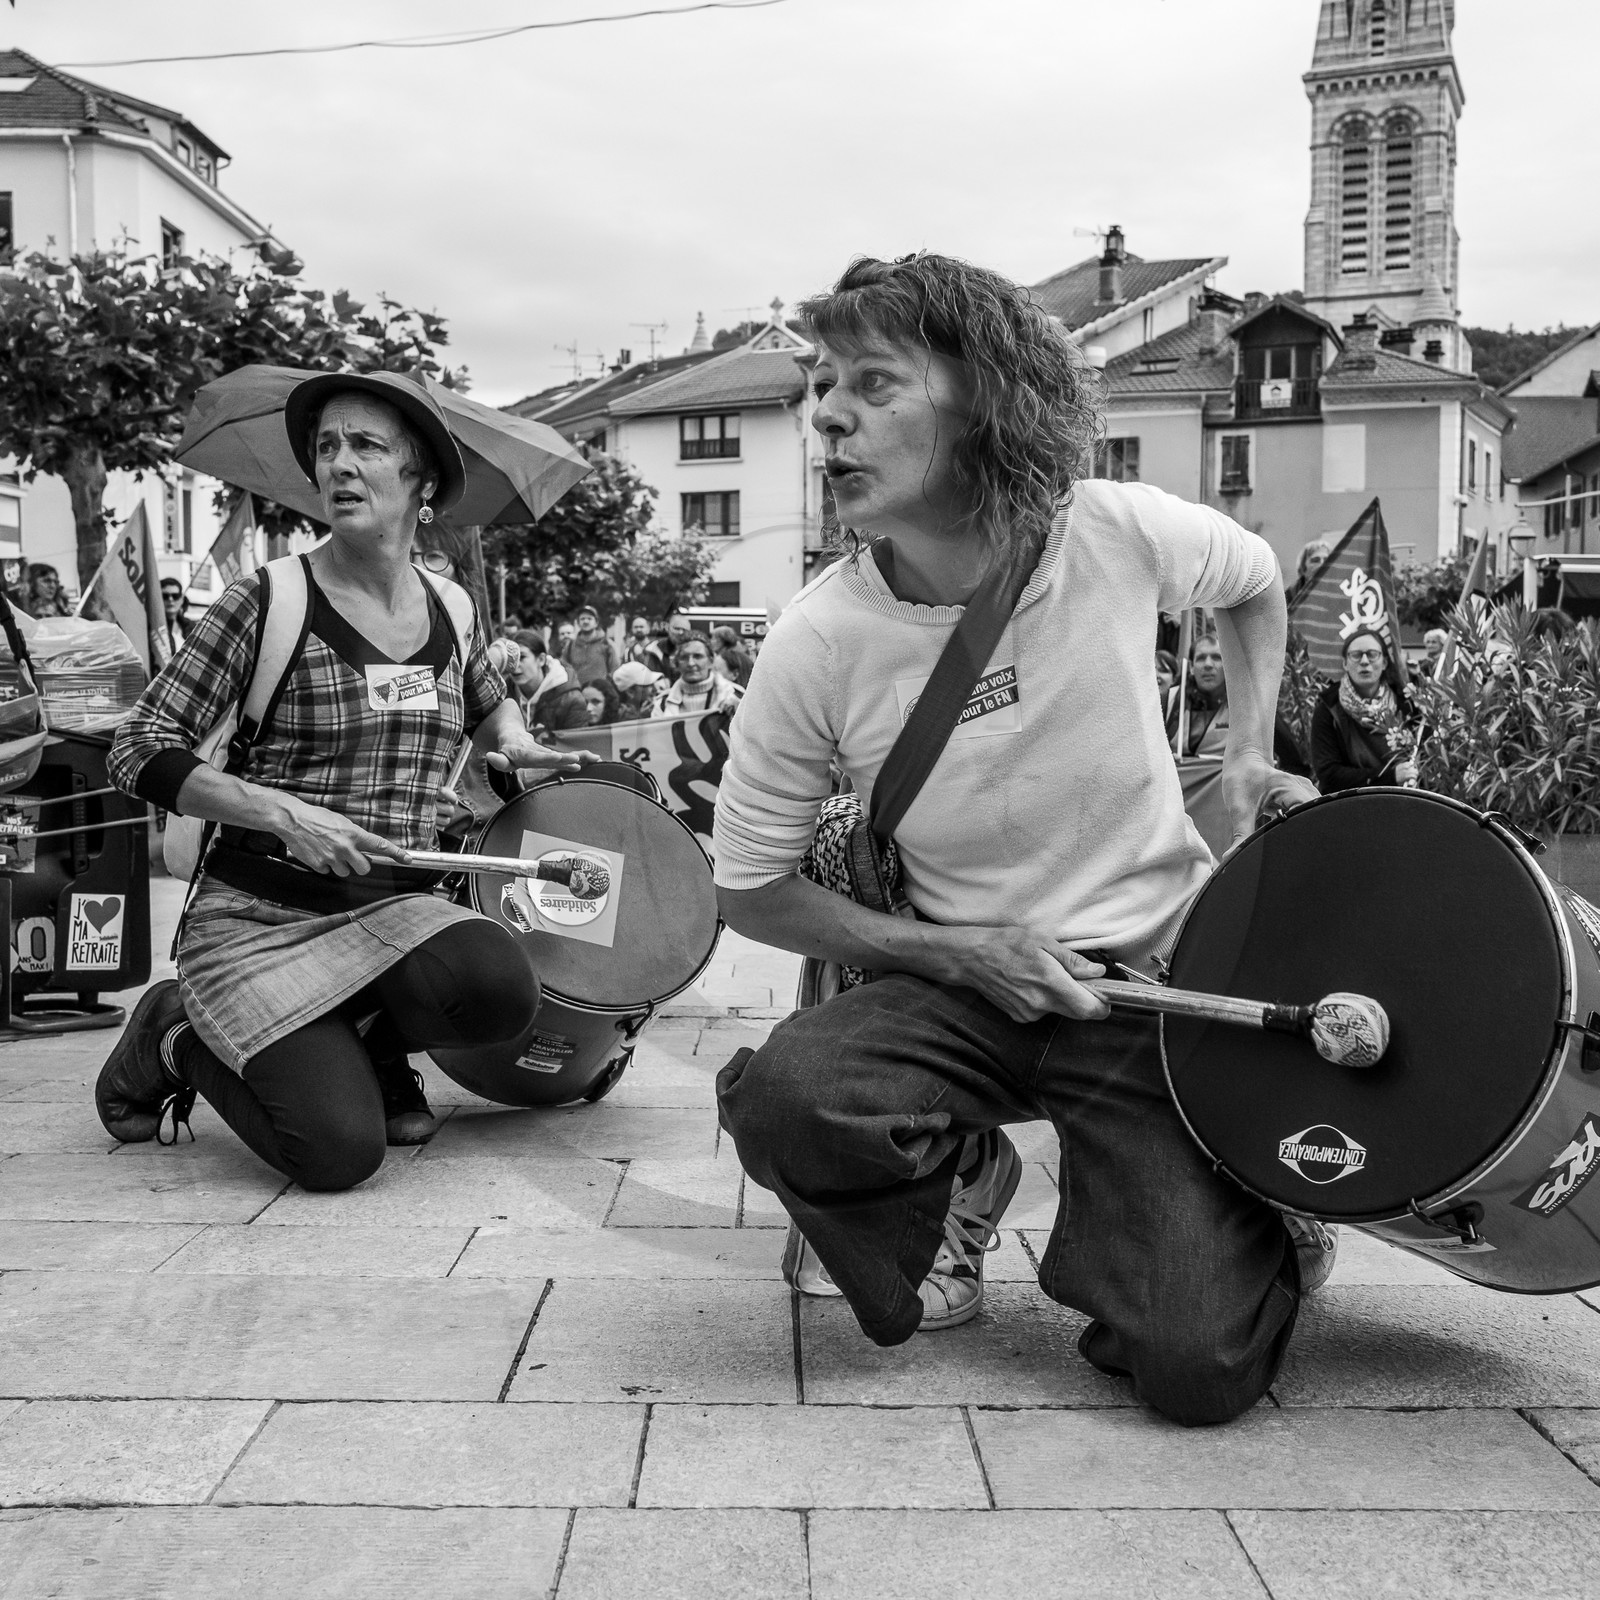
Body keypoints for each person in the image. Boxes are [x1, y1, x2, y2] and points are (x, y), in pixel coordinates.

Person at [712, 252, 1321, 1428]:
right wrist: (959, 953)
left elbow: (1253, 585)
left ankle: (1229, 1210)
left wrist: (1248, 756)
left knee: (1197, 1371)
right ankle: (953, 1175)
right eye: (822, 386)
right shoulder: (816, 641)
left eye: (875, 385)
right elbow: (750, 889)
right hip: (965, 986)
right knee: (792, 1095)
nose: (827, 414)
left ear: (986, 400)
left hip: (1153, 986)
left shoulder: (1117, 531)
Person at [96, 370, 590, 1190]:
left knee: (500, 989)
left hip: (394, 904)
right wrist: (284, 814)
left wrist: (516, 739)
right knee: (336, 1157)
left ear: (421, 481)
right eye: (326, 447)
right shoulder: (268, 600)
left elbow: (484, 703)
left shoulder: (455, 608)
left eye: (366, 445)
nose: (339, 465)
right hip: (260, 910)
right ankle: (174, 1031)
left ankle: (367, 1041)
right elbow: (137, 745)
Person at [1165, 634, 1309, 775]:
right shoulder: (1169, 701)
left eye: (1217, 658)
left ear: (1228, 664)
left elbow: (1294, 762)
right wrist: (1163, 759)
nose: (1208, 665)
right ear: (1190, 667)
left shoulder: (1248, 704)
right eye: (1201, 658)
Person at [1310, 626, 1419, 793]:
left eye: (1372, 654)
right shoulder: (1328, 708)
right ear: (1345, 663)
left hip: (1402, 800)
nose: (1365, 661)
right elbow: (1329, 774)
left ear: (1384, 663)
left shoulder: (1406, 703)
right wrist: (1389, 777)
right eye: (1356, 655)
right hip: (1346, 805)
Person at [506, 630, 589, 732]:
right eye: (510, 659)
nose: (514, 665)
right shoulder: (500, 696)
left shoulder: (572, 700)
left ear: (541, 659)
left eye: (522, 657)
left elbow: (575, 744)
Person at [654, 632, 742, 717]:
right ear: (676, 663)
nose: (691, 663)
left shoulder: (736, 696)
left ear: (711, 661)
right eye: (684, 657)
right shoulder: (663, 704)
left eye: (698, 656)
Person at [562, 604, 619, 685]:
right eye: (582, 619)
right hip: (578, 693)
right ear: (578, 623)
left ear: (596, 622)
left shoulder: (607, 644)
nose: (585, 621)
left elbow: (615, 669)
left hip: (600, 693)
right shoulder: (570, 645)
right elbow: (565, 667)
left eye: (589, 618)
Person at [645, 611, 691, 678]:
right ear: (668, 628)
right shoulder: (655, 649)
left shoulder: (695, 649)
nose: (680, 632)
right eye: (677, 628)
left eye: (684, 630)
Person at [711, 624, 755, 689]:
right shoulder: (745, 658)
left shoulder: (721, 659)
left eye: (713, 638)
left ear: (721, 640)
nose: (711, 641)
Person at [158, 578, 192, 662]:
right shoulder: (152, 628)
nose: (170, 599)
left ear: (181, 599)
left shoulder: (192, 627)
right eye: (165, 596)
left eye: (175, 596)